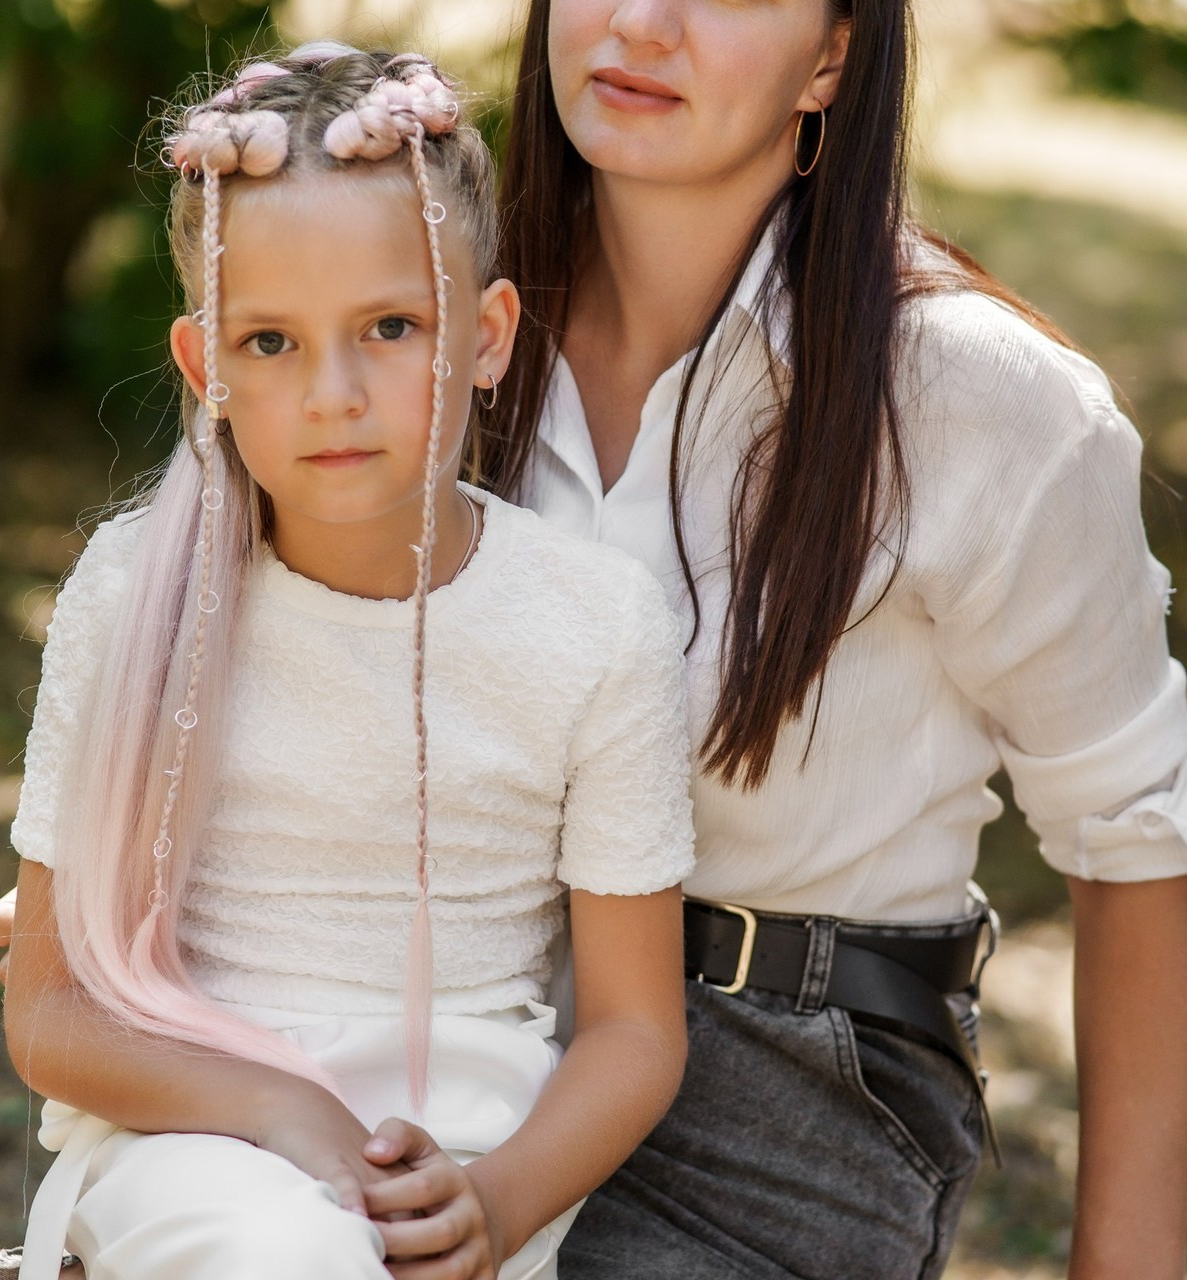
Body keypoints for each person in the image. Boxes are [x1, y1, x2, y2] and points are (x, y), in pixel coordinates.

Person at [478, 1, 1187, 1278]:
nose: (640, 21)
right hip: (451, 1007)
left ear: (830, 57)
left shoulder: (978, 400)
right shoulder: (430, 326)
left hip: (776, 1087)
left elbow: (1138, 835)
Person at [0, 41, 694, 1280]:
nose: (333, 392)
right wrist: (285, 1109)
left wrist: (495, 1202)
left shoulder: (594, 624)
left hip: (460, 1158)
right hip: (193, 1141)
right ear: (204, 368)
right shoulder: (133, 590)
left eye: (389, 326)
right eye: (270, 341)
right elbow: (49, 1012)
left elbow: (635, 1030)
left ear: (486, 335)